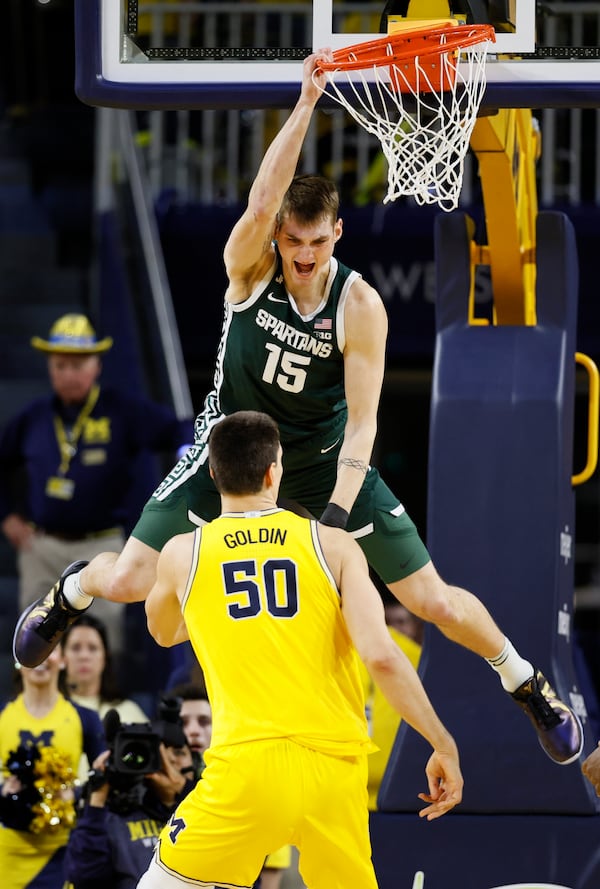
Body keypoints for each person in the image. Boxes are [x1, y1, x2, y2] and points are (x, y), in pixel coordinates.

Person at [15, 54, 582, 768]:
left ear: (337, 235)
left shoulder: (361, 304)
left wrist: (336, 516)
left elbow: (368, 422)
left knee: (431, 596)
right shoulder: (251, 267)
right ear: (278, 237)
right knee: (131, 584)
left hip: (322, 467)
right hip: (230, 461)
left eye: (318, 243)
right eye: (294, 242)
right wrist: (309, 100)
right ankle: (66, 594)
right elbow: (259, 204)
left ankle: (526, 681)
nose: (305, 256)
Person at [136, 410, 462, 889]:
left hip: (244, 771)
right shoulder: (333, 545)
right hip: (332, 773)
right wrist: (442, 743)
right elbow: (383, 657)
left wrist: (217, 612)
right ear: (275, 471)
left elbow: (164, 631)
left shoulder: (183, 553)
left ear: (211, 473)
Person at [0, 312, 193, 654]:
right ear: (50, 368)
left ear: (96, 366)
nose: (69, 374)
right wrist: (7, 516)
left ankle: (95, 705)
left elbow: (176, 428)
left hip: (101, 549)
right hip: (41, 546)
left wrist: (186, 451)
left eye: (79, 365)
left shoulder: (122, 411)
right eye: (61, 365)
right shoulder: (33, 418)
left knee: (101, 642)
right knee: (35, 643)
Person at [0, 648, 105, 889]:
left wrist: (75, 793)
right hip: (8, 852)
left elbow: (104, 777)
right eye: (34, 649)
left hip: (64, 850)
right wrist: (4, 793)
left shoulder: (85, 718)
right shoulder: (3, 715)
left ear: (64, 660)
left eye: (51, 650)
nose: (41, 657)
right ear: (18, 660)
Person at [64, 715, 194, 889]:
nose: (168, 760)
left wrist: (185, 792)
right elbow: (85, 878)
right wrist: (96, 800)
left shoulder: (211, 808)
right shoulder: (114, 815)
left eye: (179, 752)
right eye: (157, 752)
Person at [62, 614, 149, 722]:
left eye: (93, 648)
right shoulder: (47, 708)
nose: (84, 656)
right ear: (62, 657)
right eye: (76, 648)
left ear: (105, 658)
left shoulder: (128, 712)